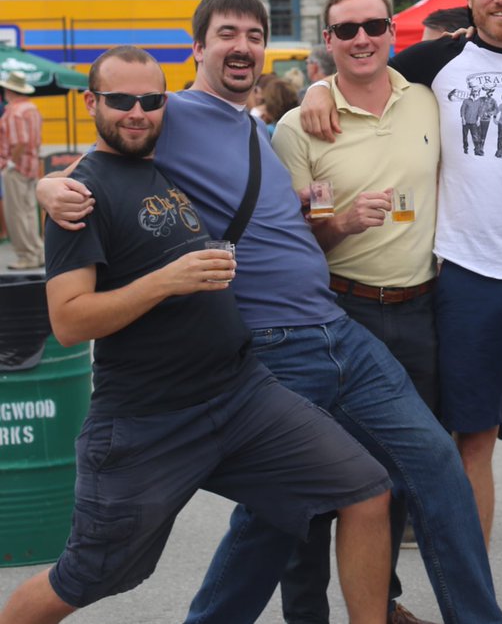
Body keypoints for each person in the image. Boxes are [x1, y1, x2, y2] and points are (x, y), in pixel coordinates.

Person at [37, 0, 502, 624]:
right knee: (280, 513)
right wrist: (50, 184)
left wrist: (328, 164)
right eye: (226, 34)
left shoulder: (258, 128)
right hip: (270, 341)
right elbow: (115, 140)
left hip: (336, 326)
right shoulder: (168, 112)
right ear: (196, 47)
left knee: (434, 464)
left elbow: (295, 219)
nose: (242, 46)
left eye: (254, 35)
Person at [0, 46, 394, 624]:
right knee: (86, 576)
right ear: (90, 102)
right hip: (147, 421)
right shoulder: (81, 195)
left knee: (366, 489)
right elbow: (69, 320)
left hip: (240, 394)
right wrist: (164, 280)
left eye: (151, 100)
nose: (137, 112)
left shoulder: (161, 162)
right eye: (120, 100)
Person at [302, 0, 502, 624]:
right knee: (472, 439)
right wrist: (316, 83)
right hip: (463, 274)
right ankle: (478, 598)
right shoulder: (438, 59)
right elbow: (361, 68)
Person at [272, 0, 442, 624]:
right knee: (320, 475)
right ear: (328, 41)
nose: (362, 38)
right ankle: (306, 613)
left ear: (393, 30)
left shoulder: (426, 100)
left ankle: (382, 602)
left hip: (423, 307)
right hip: (340, 313)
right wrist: (340, 222)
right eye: (346, 30)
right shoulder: (298, 125)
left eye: (373, 25)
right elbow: (291, 239)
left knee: (396, 473)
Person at [0, 69, 44, 270]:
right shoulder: (32, 109)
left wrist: (10, 162)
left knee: (16, 214)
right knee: (28, 212)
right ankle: (36, 251)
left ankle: (26, 256)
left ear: (10, 91)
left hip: (16, 167)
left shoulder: (14, 112)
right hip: (31, 166)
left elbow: (20, 142)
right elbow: (34, 141)